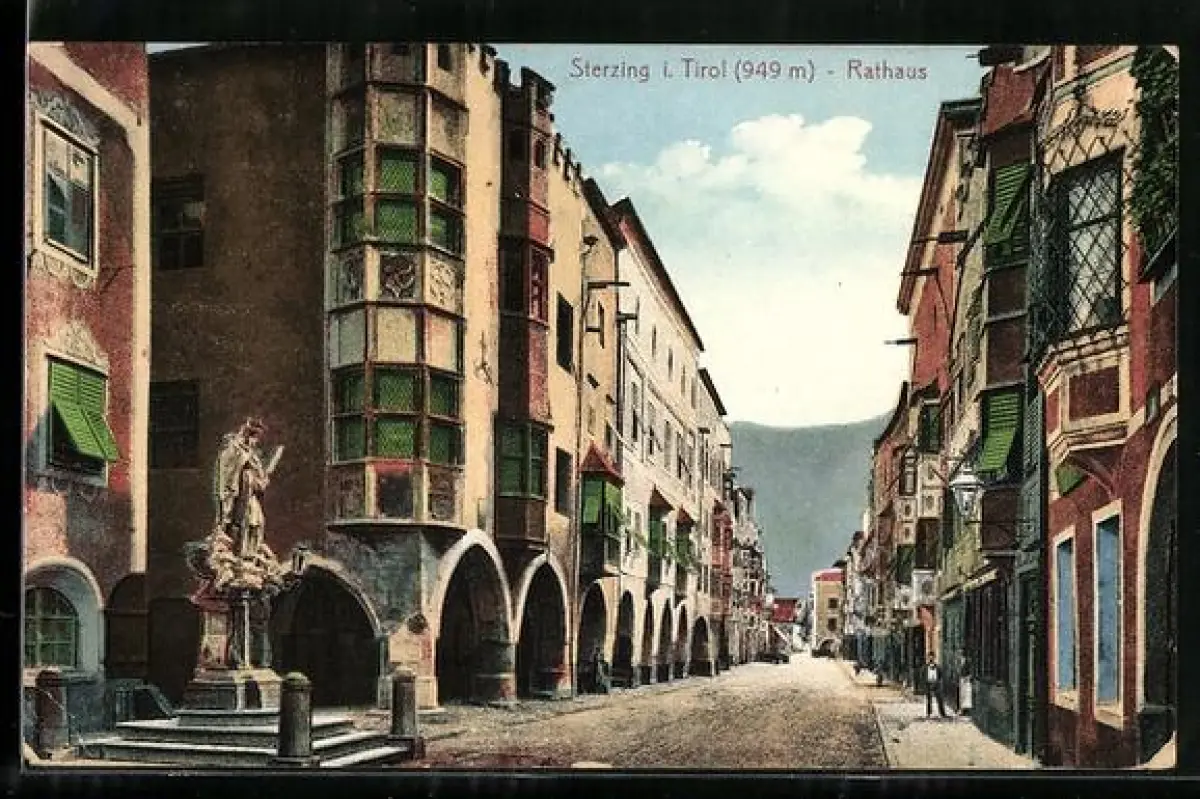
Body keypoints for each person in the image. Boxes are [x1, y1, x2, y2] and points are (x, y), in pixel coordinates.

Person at [925, 653, 948, 718]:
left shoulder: (938, 667)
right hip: (928, 683)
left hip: (936, 684)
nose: (931, 659)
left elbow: (941, 676)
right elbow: (923, 676)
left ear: (934, 658)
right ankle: (928, 713)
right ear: (928, 658)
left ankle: (942, 713)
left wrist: (938, 682)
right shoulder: (925, 667)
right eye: (930, 657)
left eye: (932, 657)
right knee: (929, 699)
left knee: (940, 699)